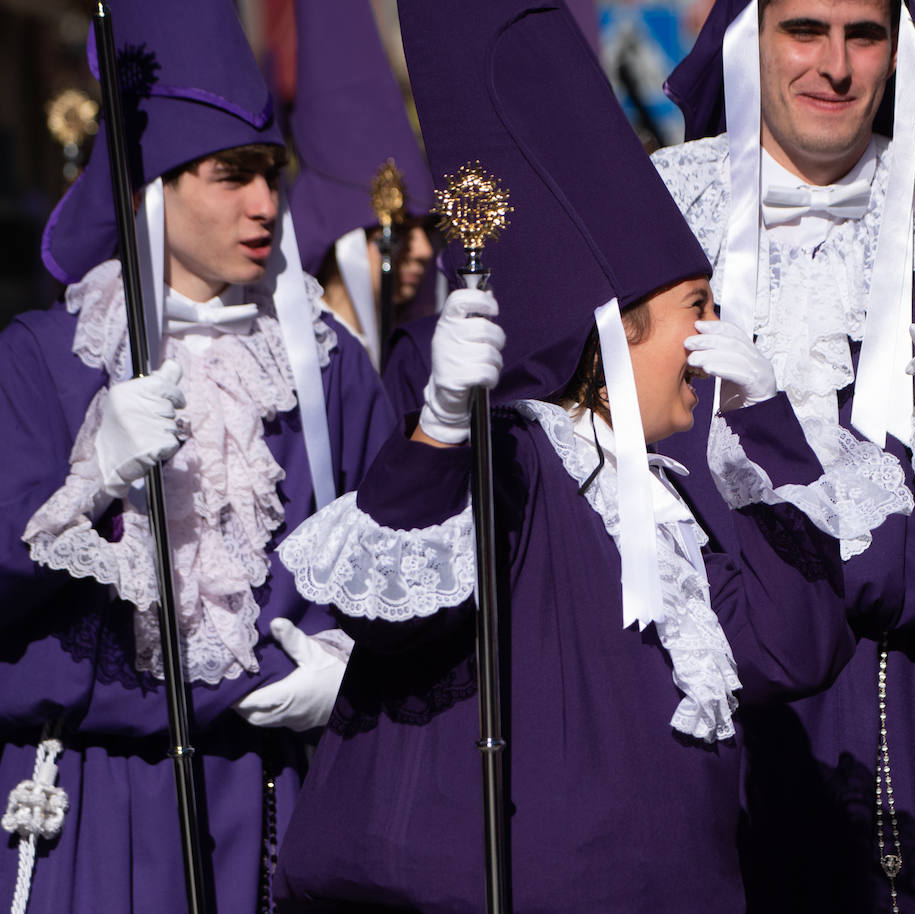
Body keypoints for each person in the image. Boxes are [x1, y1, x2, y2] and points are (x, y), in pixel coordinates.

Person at [270, 1, 852, 911]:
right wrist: (441, 431)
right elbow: (397, 596)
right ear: (619, 333)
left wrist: (771, 425)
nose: (715, 335)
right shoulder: (519, 461)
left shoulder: (675, 501)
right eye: (696, 306)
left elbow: (793, 648)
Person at [645, 0, 915, 910]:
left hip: (891, 701)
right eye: (805, 30)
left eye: (863, 34)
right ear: (748, 41)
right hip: (692, 702)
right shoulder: (660, 212)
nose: (836, 65)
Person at [0, 2, 393, 912]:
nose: (265, 204)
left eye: (271, 174)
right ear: (154, 188)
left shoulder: (321, 366)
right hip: (89, 799)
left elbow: (400, 564)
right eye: (231, 177)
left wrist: (360, 669)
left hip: (271, 794)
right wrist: (88, 479)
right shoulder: (42, 357)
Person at [287, 0, 436, 368]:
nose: (423, 250)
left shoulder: (415, 358)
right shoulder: (299, 360)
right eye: (401, 228)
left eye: (425, 229)